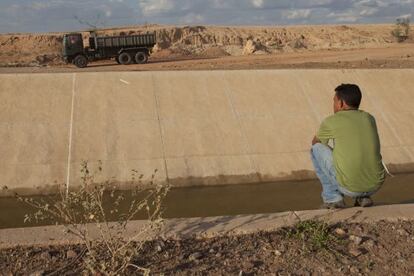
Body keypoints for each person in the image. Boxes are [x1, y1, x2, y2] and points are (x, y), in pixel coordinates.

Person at [311, 83, 385, 209]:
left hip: (349, 188)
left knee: (316, 149)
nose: (333, 105)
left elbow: (316, 142)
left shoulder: (332, 121)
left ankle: (332, 199)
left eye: (334, 101)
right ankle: (363, 197)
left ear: (341, 103)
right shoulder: (369, 118)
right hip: (375, 185)